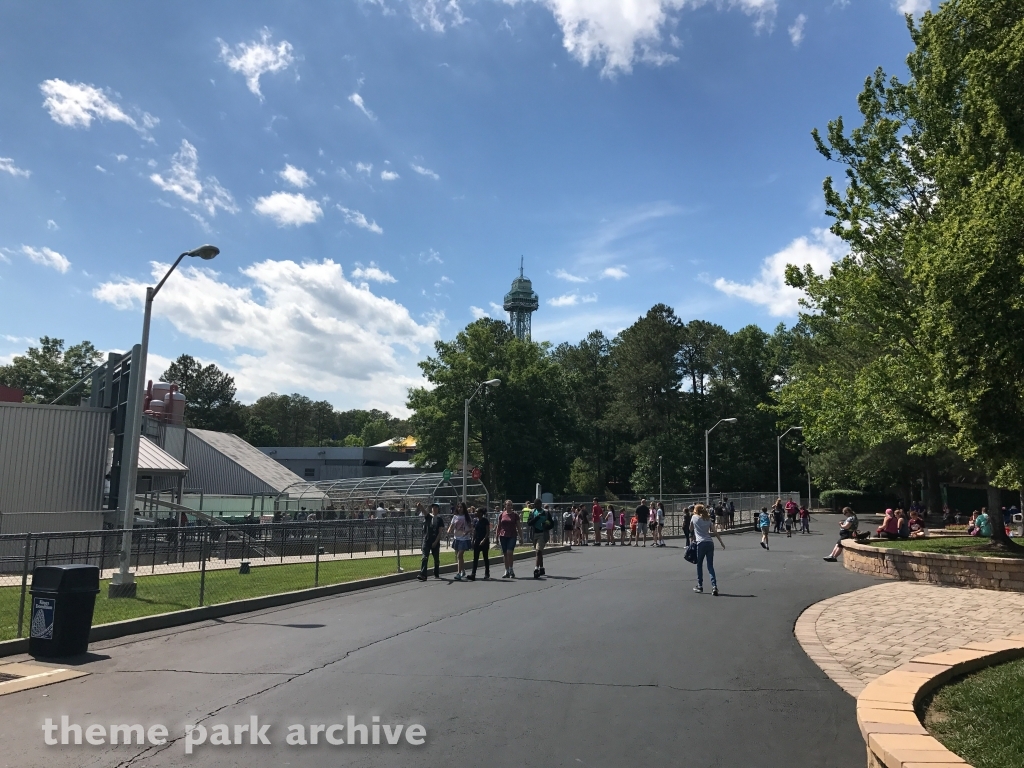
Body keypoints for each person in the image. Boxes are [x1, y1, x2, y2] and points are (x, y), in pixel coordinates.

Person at [690, 503, 725, 595]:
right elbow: (714, 531)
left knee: (699, 564)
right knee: (710, 566)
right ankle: (714, 586)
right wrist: (721, 542)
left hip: (700, 543)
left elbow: (690, 528)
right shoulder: (708, 519)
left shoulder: (694, 517)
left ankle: (700, 585)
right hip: (710, 542)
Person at [417, 503, 446, 580]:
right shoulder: (428, 517)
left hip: (435, 541)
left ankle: (436, 572)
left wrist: (436, 542)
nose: (434, 509)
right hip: (427, 540)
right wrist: (421, 506)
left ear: (438, 509)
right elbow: (424, 511)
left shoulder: (440, 519)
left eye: (436, 508)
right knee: (424, 557)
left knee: (436, 558)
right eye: (433, 507)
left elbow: (440, 532)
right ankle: (423, 574)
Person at [527, 500, 554, 577]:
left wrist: (546, 525)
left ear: (541, 504)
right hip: (534, 533)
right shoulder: (532, 512)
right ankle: (542, 568)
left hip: (542, 533)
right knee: (539, 552)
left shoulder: (545, 512)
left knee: (538, 551)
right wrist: (537, 518)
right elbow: (529, 523)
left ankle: (536, 569)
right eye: (535, 504)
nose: (536, 505)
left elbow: (552, 524)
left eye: (538, 504)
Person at [496, 499, 522, 578]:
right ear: (505, 506)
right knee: (505, 553)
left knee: (509, 552)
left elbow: (518, 526)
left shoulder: (515, 515)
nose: (509, 506)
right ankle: (506, 570)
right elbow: (499, 526)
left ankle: (511, 569)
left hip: (512, 535)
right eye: (508, 505)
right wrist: (496, 537)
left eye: (510, 505)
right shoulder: (502, 514)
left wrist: (521, 537)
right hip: (503, 535)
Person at [448, 502, 474, 580]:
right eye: (458, 507)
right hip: (457, 538)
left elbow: (472, 528)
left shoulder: (466, 517)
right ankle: (463, 570)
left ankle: (458, 573)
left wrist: (467, 531)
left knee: (460, 555)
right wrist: (449, 530)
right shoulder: (455, 517)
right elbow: (451, 525)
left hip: (464, 538)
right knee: (458, 556)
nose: (459, 509)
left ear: (464, 508)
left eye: (461, 507)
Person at [467, 506, 491, 580]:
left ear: (480, 513)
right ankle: (473, 574)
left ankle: (487, 573)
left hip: (484, 541)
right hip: (477, 541)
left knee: (485, 557)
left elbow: (488, 532)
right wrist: (473, 540)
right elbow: (475, 531)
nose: (475, 513)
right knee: (475, 558)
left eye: (477, 511)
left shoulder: (485, 521)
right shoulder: (475, 520)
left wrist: (484, 540)